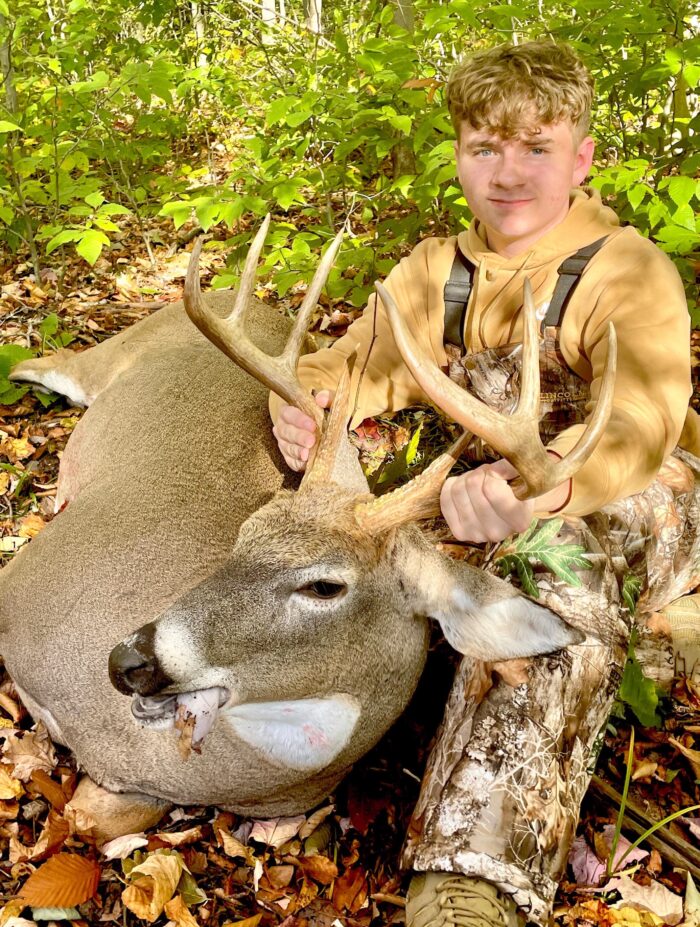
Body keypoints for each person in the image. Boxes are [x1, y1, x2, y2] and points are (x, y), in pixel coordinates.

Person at [270, 41, 697, 927]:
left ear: (580, 158)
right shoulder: (435, 271)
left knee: (547, 561)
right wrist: (310, 402)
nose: (507, 175)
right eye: (484, 147)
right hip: (479, 496)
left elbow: (642, 422)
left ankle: (473, 882)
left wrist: (542, 491)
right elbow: (354, 365)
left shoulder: (627, 267)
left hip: (634, 495)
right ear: (458, 152)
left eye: (535, 148)